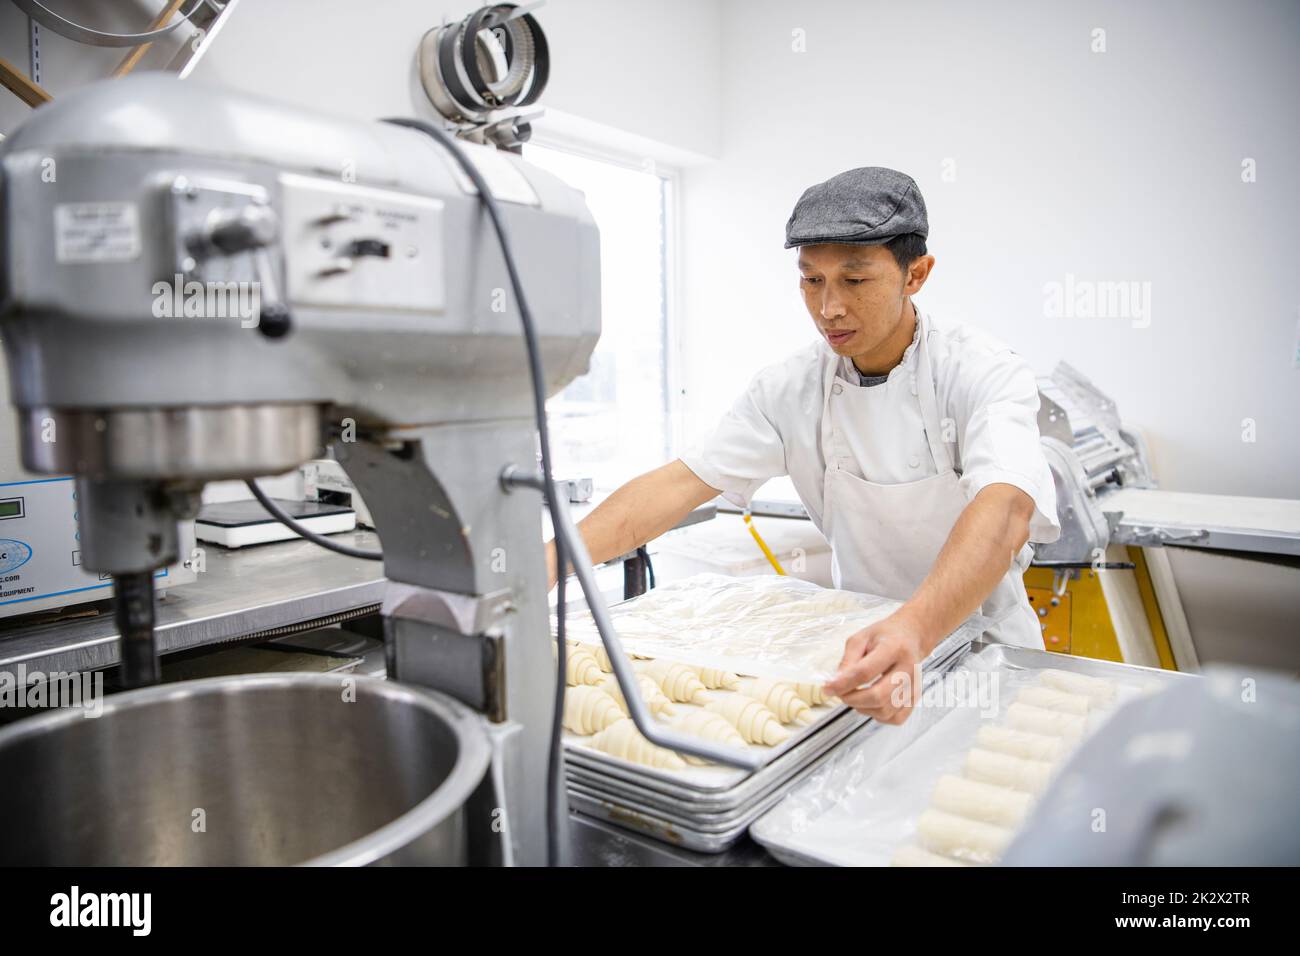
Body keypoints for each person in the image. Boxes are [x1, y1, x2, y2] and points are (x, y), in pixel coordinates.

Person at [547, 167, 1060, 726]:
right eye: (811, 280)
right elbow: (678, 484)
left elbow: (1006, 509)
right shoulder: (789, 388)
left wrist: (915, 629)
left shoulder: (982, 372)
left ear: (917, 274)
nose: (829, 307)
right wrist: (545, 563)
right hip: (863, 655)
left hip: (985, 653)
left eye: (855, 281)